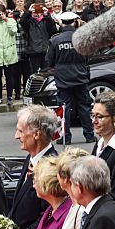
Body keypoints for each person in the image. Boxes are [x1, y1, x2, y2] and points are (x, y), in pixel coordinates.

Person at [47, 12, 95, 145]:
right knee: (84, 107)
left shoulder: (55, 40)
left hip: (63, 80)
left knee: (64, 109)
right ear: (75, 21)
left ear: (62, 23)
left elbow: (49, 61)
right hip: (80, 77)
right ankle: (89, 135)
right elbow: (87, 58)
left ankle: (65, 137)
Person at [22, 3, 57, 76]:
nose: (36, 13)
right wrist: (28, 12)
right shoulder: (29, 21)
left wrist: (47, 15)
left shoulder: (46, 20)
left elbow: (53, 29)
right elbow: (22, 22)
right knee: (34, 73)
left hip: (45, 50)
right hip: (33, 51)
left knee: (47, 73)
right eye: (34, 12)